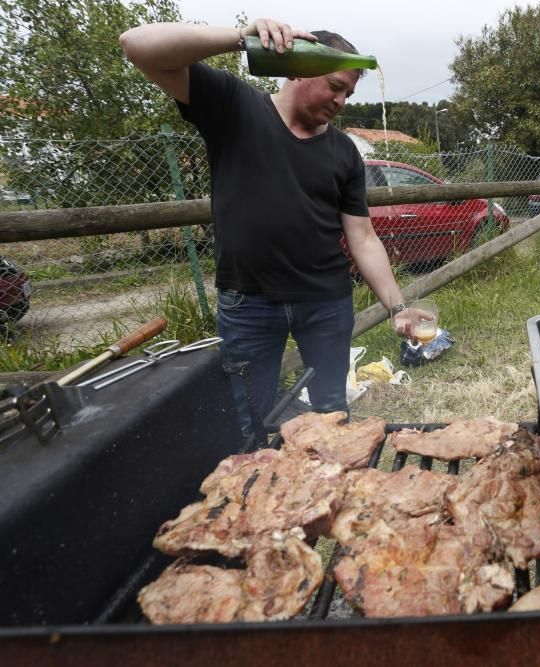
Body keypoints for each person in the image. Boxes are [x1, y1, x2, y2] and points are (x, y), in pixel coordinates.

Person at [119, 18, 420, 436]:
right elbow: (136, 45)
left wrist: (398, 307)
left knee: (332, 412)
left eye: (349, 93)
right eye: (335, 86)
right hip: (249, 305)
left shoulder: (345, 151)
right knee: (251, 419)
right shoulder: (233, 105)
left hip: (326, 303)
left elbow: (363, 237)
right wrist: (241, 38)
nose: (342, 101)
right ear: (298, 67)